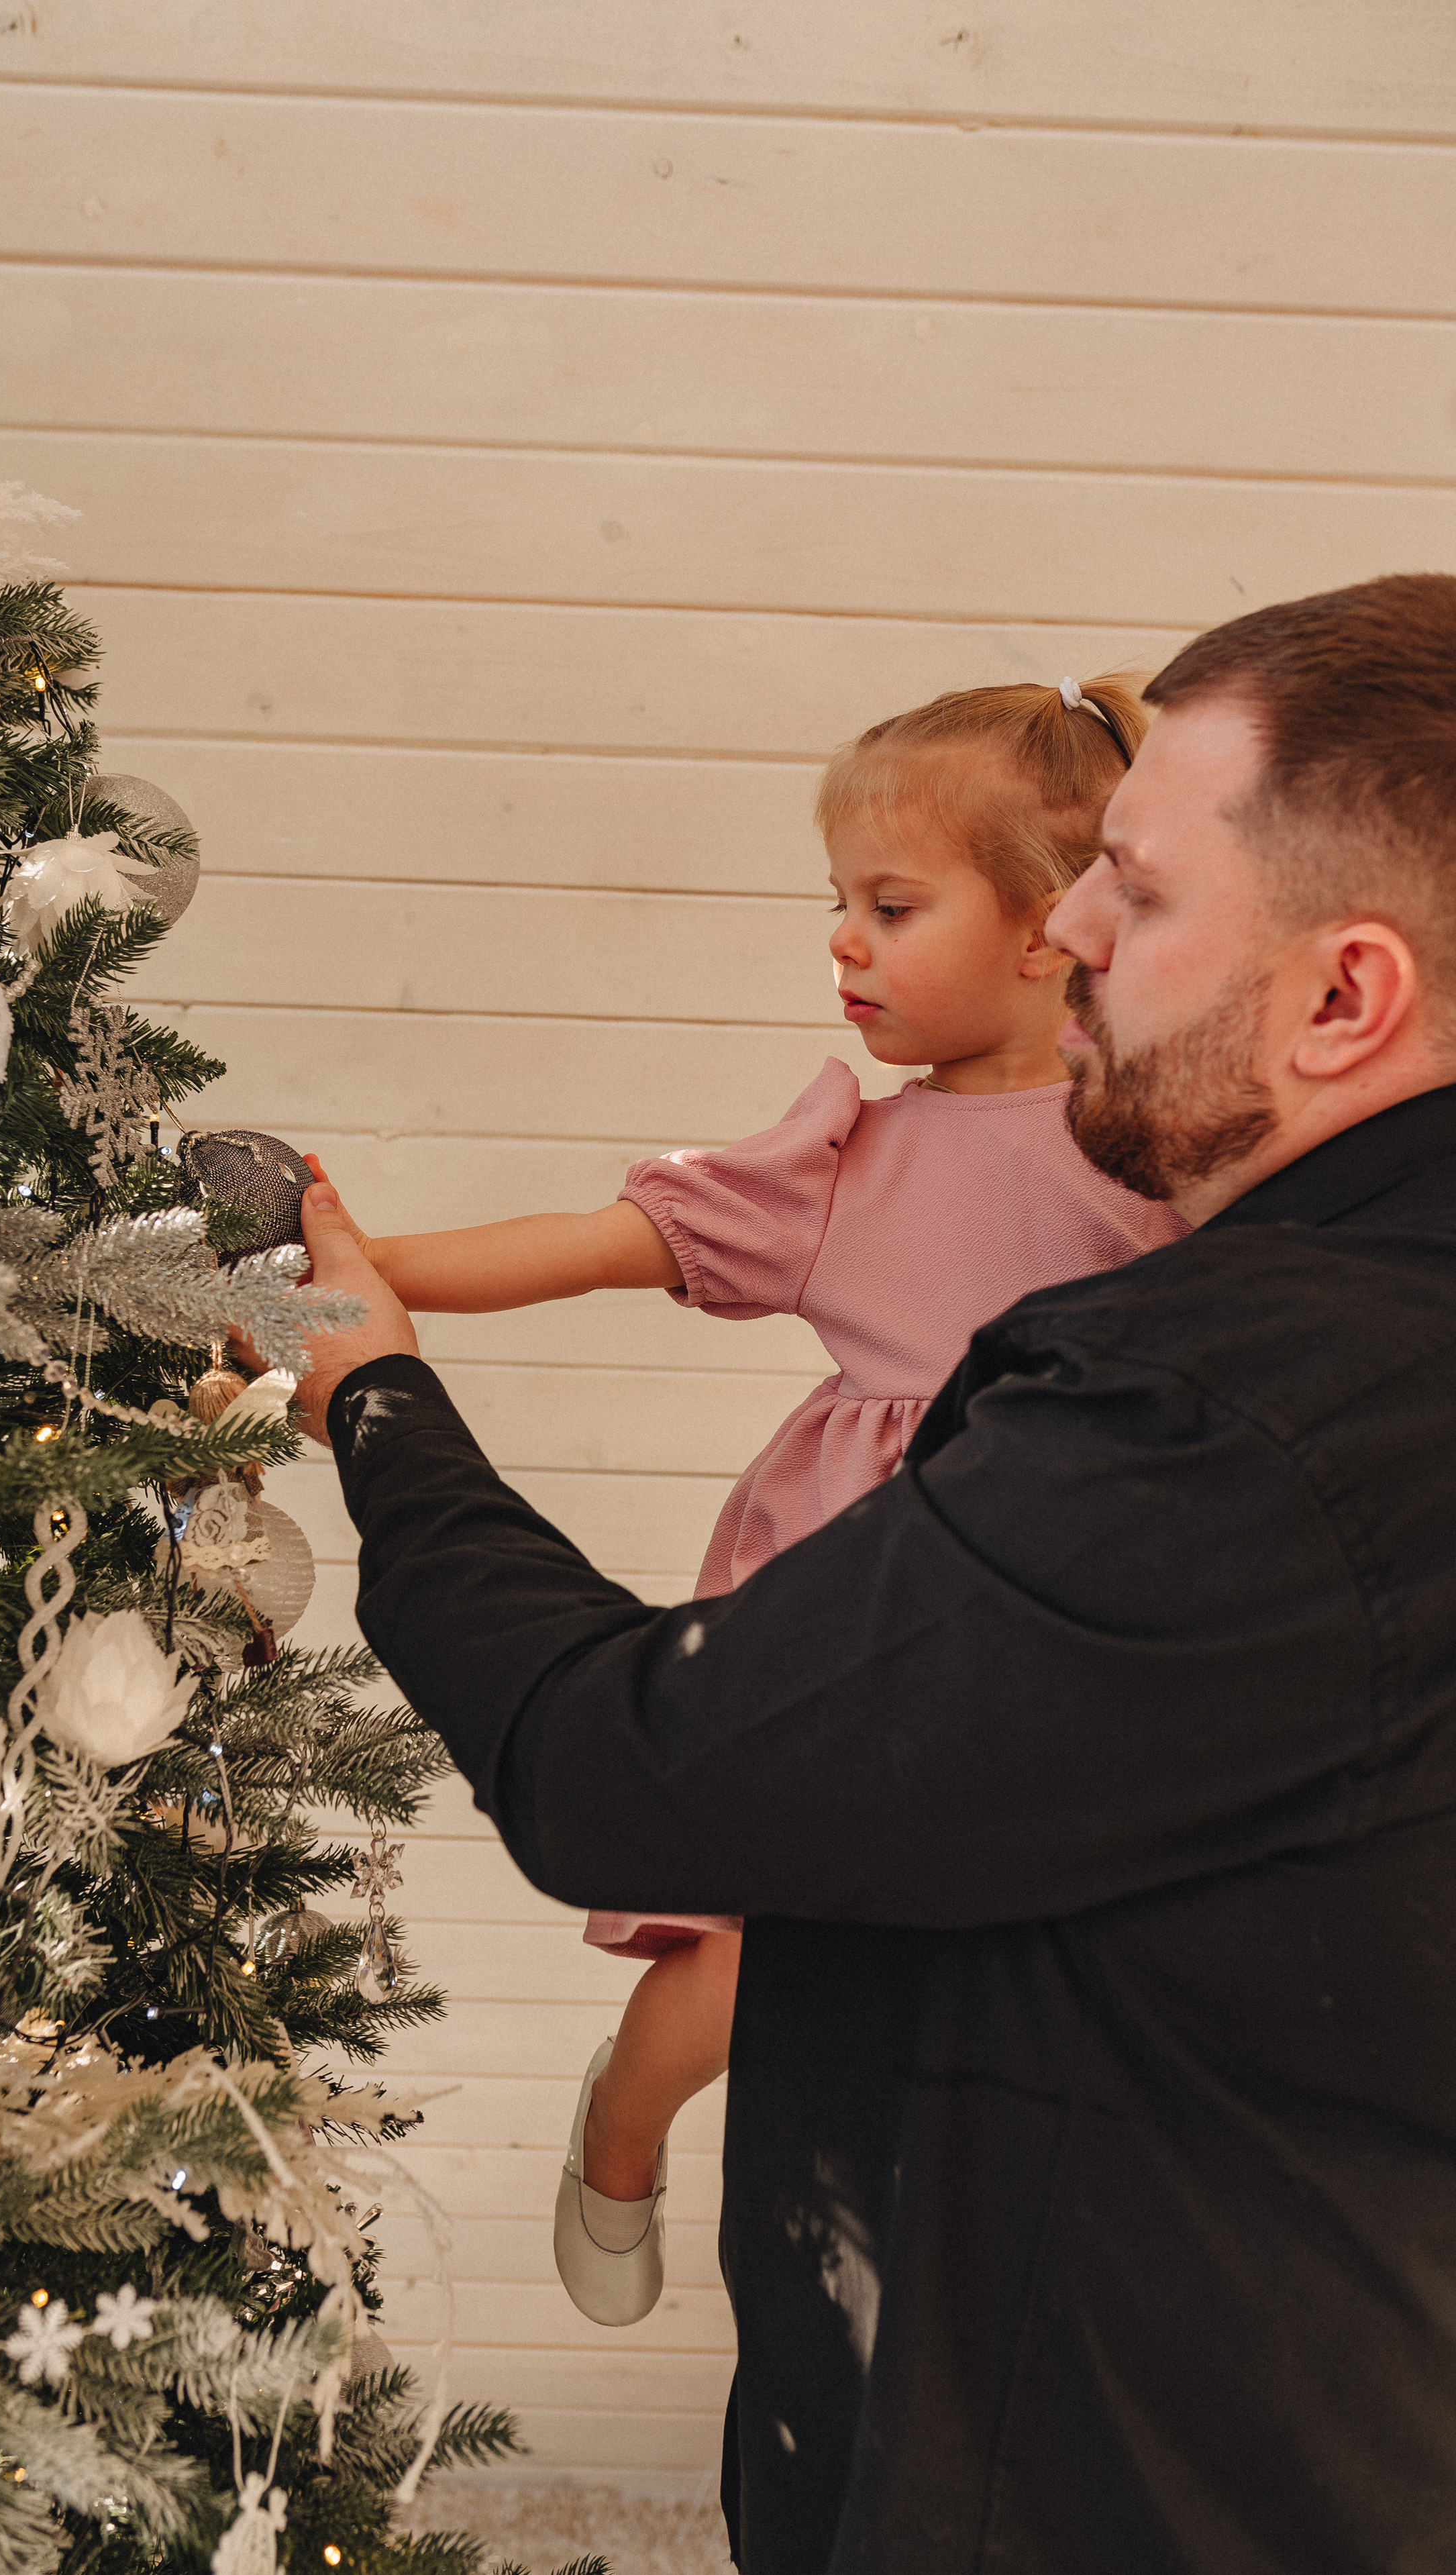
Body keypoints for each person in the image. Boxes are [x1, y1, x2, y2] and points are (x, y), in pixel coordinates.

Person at [282, 572, 1456, 2574]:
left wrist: (379, 1406)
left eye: (1136, 889)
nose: (1073, 931)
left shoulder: (1234, 1412)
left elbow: (626, 1763)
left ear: (1345, 996)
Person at [306, 677, 1182, 2327]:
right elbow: (589, 1245)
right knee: (747, 1947)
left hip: (1045, 1599)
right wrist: (359, 1273)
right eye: (838, 903)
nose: (842, 942)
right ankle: (621, 2131)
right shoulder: (840, 1162)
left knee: (996, 1953)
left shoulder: (1160, 1145)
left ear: (1047, 928)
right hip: (845, 1597)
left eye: (891, 906)